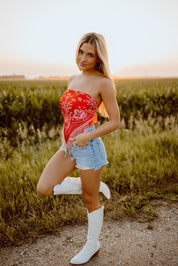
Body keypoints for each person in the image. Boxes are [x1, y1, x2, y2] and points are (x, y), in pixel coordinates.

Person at [37, 32, 120, 265]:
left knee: (89, 200)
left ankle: (93, 245)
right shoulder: (72, 78)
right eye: (80, 51)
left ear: (98, 58)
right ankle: (92, 185)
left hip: (89, 148)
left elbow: (115, 121)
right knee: (44, 187)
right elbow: (71, 113)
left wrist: (88, 135)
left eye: (90, 54)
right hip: (67, 147)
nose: (83, 58)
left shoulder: (104, 83)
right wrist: (67, 136)